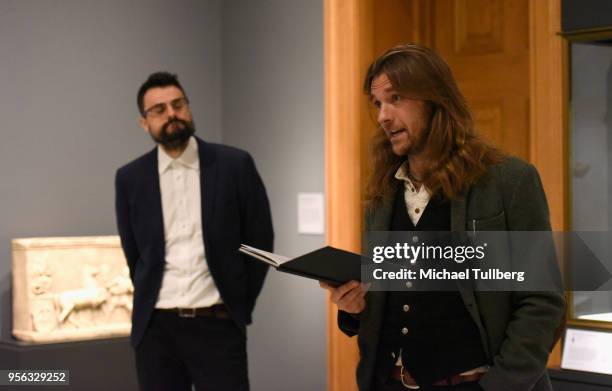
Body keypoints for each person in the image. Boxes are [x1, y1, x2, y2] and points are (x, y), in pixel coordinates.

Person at [320, 44, 565, 391]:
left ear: (435, 99)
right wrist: (354, 307)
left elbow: (542, 301)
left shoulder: (510, 180)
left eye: (395, 99)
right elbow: (391, 300)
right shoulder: (381, 193)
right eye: (377, 104)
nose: (383, 117)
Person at [115, 72, 273, 391]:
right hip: (156, 330)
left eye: (178, 104)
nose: (171, 114)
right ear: (144, 123)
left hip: (217, 323)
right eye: (158, 110)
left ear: (188, 107)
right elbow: (135, 254)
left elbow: (260, 240)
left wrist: (237, 303)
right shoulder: (130, 178)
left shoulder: (234, 165)